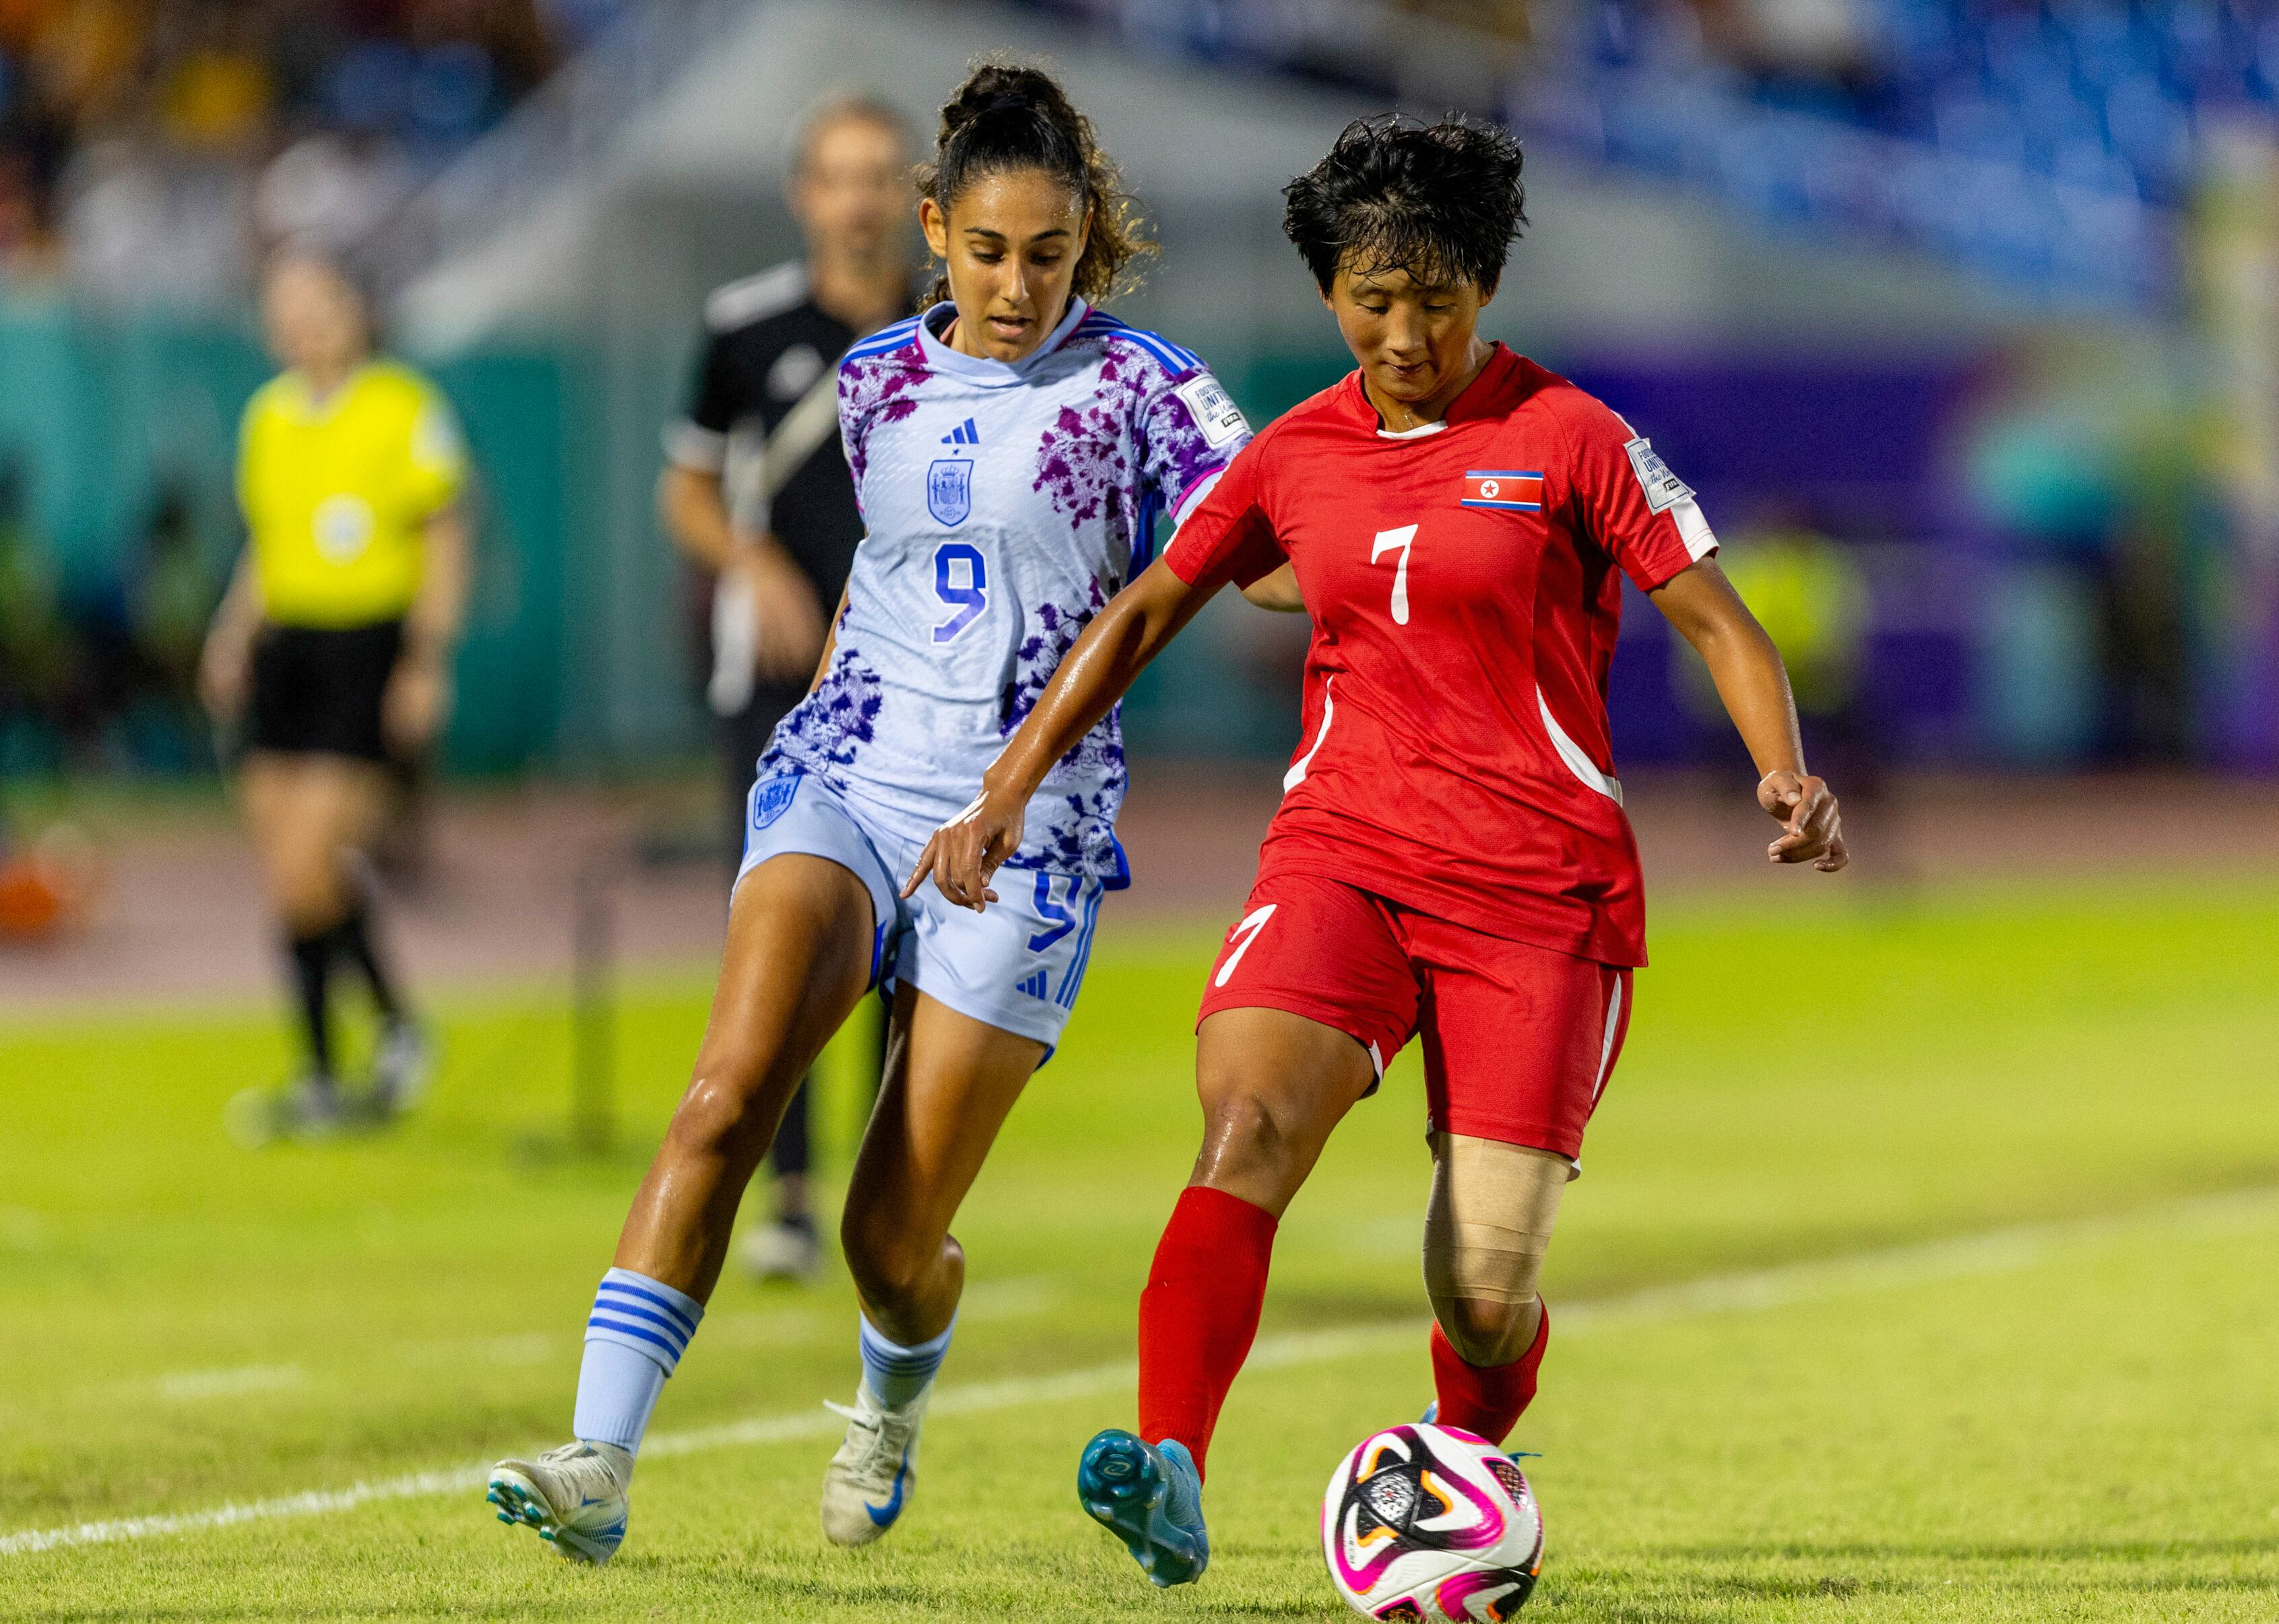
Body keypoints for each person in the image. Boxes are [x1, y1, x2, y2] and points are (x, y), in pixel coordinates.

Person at [909, 113, 1849, 1588]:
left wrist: (1785, 774)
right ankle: (1170, 1466)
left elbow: (1718, 619)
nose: (1402, 330)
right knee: (1247, 1125)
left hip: (1540, 891)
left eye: (1435, 296)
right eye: (1369, 295)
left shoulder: (1573, 439)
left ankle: (1467, 1452)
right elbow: (1149, 608)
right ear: (1330, 290)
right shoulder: (1296, 452)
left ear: (1484, 285)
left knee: (1482, 1286)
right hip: (1343, 851)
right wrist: (1005, 784)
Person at [484, 61, 1253, 1564]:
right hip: (846, 772)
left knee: (886, 1244)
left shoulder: (1149, 387)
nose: (1017, 283)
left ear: (1086, 238)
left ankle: (890, 1404)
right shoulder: (876, 380)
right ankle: (598, 1462)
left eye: (1048, 253)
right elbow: (890, 574)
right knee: (727, 1091)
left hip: (1027, 835)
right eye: (985, 250)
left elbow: (1261, 546)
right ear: (932, 231)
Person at [657, 95, 917, 1282]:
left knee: (918, 932)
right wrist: (751, 562)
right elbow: (689, 490)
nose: (858, 199)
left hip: (923, 676)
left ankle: (896, 1188)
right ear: (803, 195)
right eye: (837, 176)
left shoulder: (957, 323)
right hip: (773, 675)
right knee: (782, 925)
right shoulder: (744, 329)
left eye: (879, 175)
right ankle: (793, 1195)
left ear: (915, 193)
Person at [200, 250, 469, 1140]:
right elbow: (267, 545)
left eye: (320, 303)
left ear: (356, 310)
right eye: (288, 307)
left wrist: (425, 659)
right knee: (286, 868)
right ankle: (360, 1050)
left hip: (365, 647)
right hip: (288, 649)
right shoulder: (268, 417)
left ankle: (356, 1054)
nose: (305, 322)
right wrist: (235, 631)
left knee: (309, 862)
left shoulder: (403, 408)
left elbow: (442, 535)